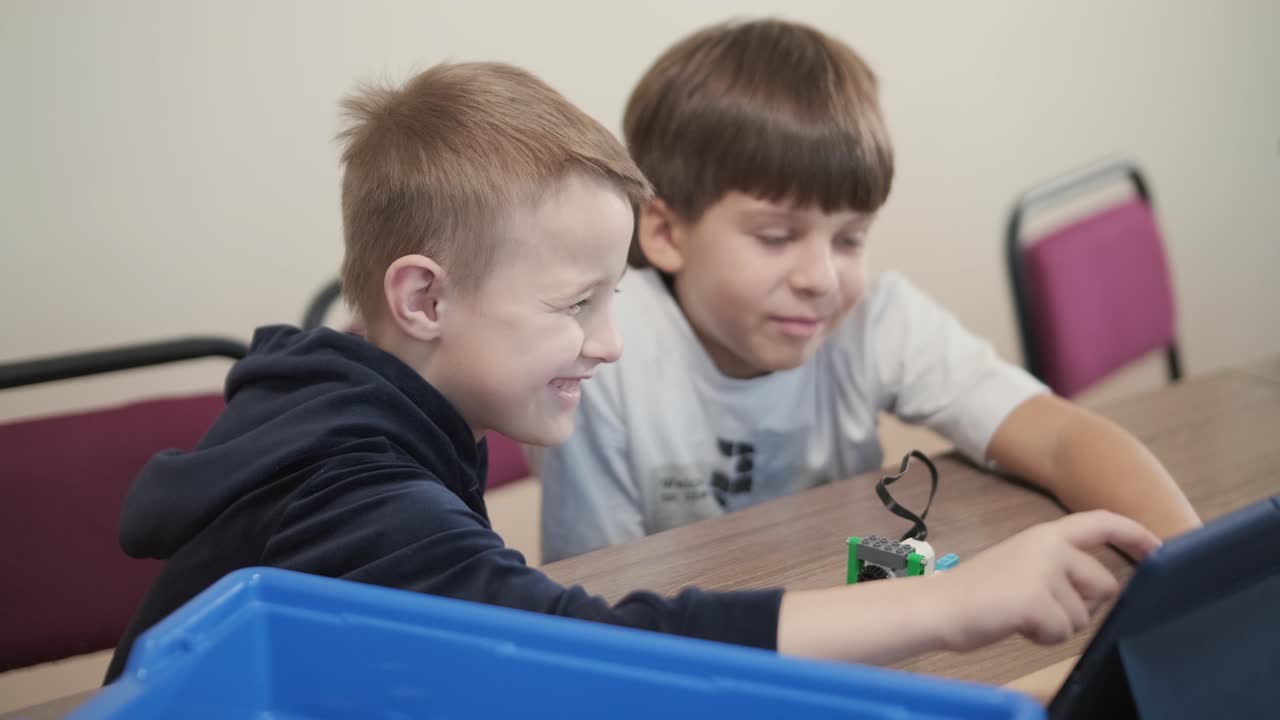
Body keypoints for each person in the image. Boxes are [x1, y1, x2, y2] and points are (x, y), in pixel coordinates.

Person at [106, 60, 1160, 684]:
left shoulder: (348, 409)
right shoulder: (355, 492)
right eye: (576, 306)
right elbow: (595, 654)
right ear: (424, 300)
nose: (610, 342)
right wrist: (955, 604)